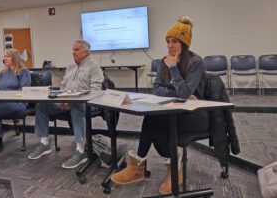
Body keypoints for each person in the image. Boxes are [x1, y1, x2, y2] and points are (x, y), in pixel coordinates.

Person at [111, 16, 208, 195]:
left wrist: (173, 70)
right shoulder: (165, 60)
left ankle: (143, 167)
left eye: (175, 41)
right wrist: (178, 93)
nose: (170, 46)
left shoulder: (196, 62)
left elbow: (184, 95)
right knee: (153, 119)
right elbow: (157, 89)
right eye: (168, 42)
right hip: (172, 110)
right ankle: (167, 169)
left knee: (153, 122)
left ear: (184, 44)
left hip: (194, 114)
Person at [28, 39, 104, 169]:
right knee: (41, 105)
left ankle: (81, 150)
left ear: (86, 52)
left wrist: (74, 100)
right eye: (73, 49)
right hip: (66, 99)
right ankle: (44, 143)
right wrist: (61, 98)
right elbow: (63, 86)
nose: (73, 52)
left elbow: (96, 90)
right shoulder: (70, 66)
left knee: (76, 107)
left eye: (76, 49)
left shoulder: (94, 66)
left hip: (85, 102)